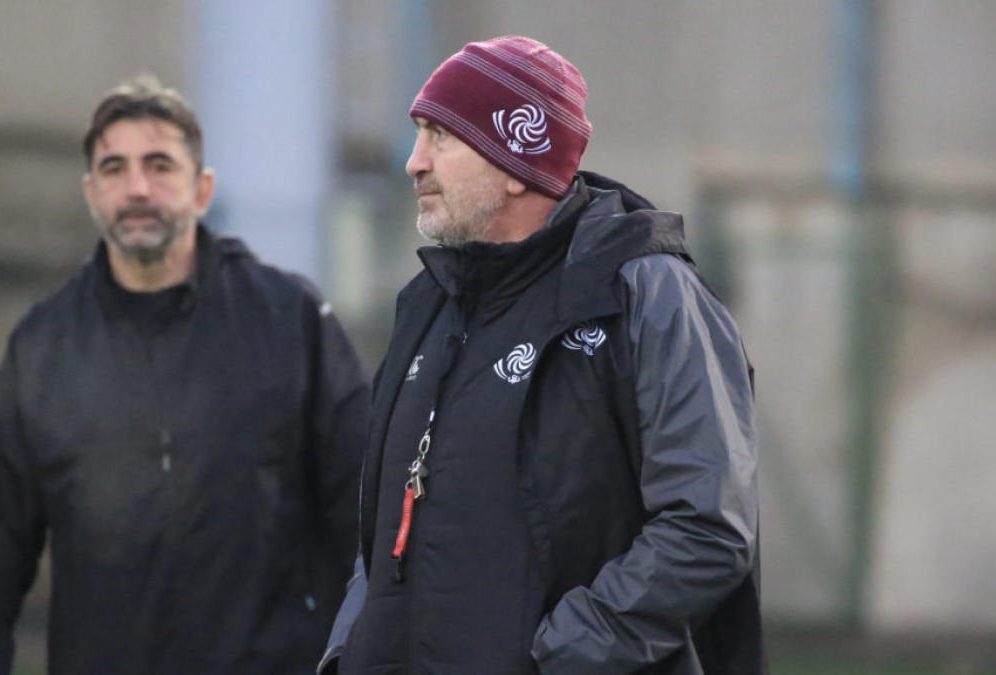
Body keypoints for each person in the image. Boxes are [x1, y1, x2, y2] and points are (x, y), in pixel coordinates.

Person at [320, 36, 765, 675]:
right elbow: (383, 530)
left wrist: (552, 659)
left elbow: (706, 529)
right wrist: (349, 651)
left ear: (516, 160)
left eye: (441, 136)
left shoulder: (645, 294)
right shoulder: (428, 302)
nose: (415, 162)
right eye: (418, 135)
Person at [0, 74, 369, 674]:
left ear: (202, 189)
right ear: (91, 192)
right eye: (114, 168)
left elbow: (366, 525)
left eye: (160, 165)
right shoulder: (43, 347)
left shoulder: (289, 321)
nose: (137, 188)